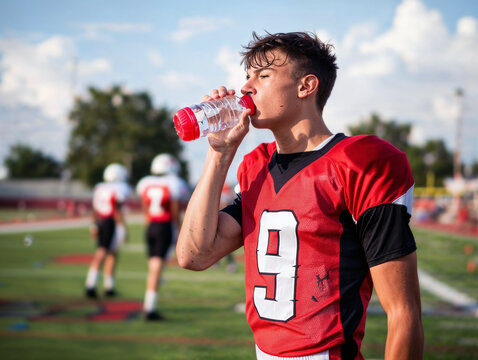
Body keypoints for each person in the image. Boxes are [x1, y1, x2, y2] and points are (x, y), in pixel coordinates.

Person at [177, 32, 424, 359]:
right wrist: (220, 154)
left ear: (306, 86)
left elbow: (403, 313)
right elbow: (194, 255)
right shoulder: (257, 168)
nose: (247, 87)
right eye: (247, 76)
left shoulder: (358, 163)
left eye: (263, 76)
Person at [136, 153, 189, 320]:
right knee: (157, 267)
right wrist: (179, 229)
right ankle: (149, 308)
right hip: (164, 226)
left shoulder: (145, 183)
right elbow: (175, 212)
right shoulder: (174, 183)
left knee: (154, 266)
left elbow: (145, 206)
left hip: (151, 225)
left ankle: (149, 302)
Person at [85, 163, 132, 299]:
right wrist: (122, 228)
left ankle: (108, 286)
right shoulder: (119, 188)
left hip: (101, 221)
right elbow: (117, 210)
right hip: (110, 222)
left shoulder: (100, 188)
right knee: (102, 252)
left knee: (112, 253)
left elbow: (95, 209)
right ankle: (90, 285)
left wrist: (93, 225)